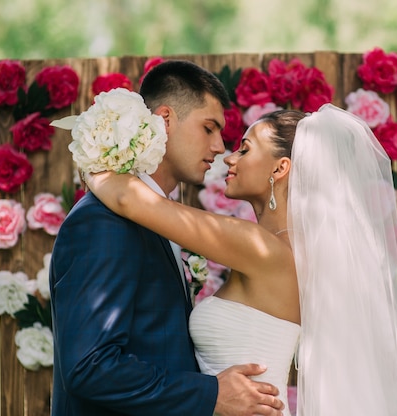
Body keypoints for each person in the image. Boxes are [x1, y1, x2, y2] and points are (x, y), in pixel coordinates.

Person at [86, 104, 397, 415]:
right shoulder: (292, 252)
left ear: (280, 168)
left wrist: (90, 154)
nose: (229, 158)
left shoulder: (261, 248)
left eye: (245, 149)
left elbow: (129, 199)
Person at [49, 60, 285, 416]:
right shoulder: (103, 224)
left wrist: (98, 174)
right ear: (164, 120)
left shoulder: (156, 218)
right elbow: (89, 366)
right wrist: (210, 395)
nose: (221, 147)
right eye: (209, 128)